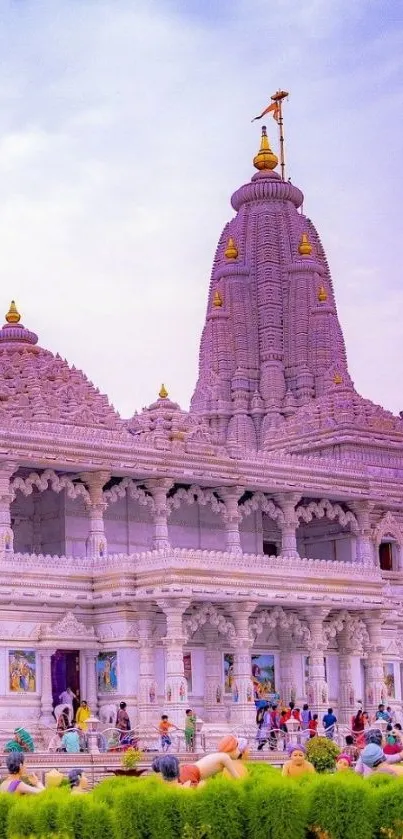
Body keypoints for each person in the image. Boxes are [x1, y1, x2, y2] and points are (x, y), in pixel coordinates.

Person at [178, 735, 245, 786]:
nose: (240, 753)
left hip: (188, 769)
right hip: (193, 773)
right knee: (191, 797)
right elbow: (236, 777)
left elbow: (212, 773)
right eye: (238, 750)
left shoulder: (218, 755)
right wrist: (245, 785)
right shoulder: (225, 758)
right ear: (233, 748)